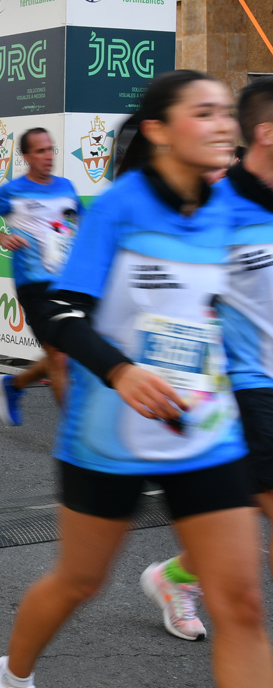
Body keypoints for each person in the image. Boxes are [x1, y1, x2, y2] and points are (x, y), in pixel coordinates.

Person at [0, 70, 273, 688]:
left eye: (227, 113)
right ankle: (9, 677)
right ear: (160, 131)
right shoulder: (119, 206)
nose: (224, 124)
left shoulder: (231, 207)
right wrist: (121, 370)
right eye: (205, 113)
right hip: (110, 435)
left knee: (243, 605)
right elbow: (60, 313)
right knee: (80, 580)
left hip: (203, 429)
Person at [139, 75, 273, 643]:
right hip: (248, 382)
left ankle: (175, 576)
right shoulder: (219, 206)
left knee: (241, 513)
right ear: (267, 133)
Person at [0, 128, 80, 425]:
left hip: (68, 283)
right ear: (27, 156)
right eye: (40, 151)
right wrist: (2, 238)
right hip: (34, 285)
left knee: (68, 353)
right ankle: (75, 432)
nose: (48, 156)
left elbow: (79, 224)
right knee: (59, 356)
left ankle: (13, 384)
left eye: (50, 149)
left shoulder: (66, 187)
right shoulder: (12, 190)